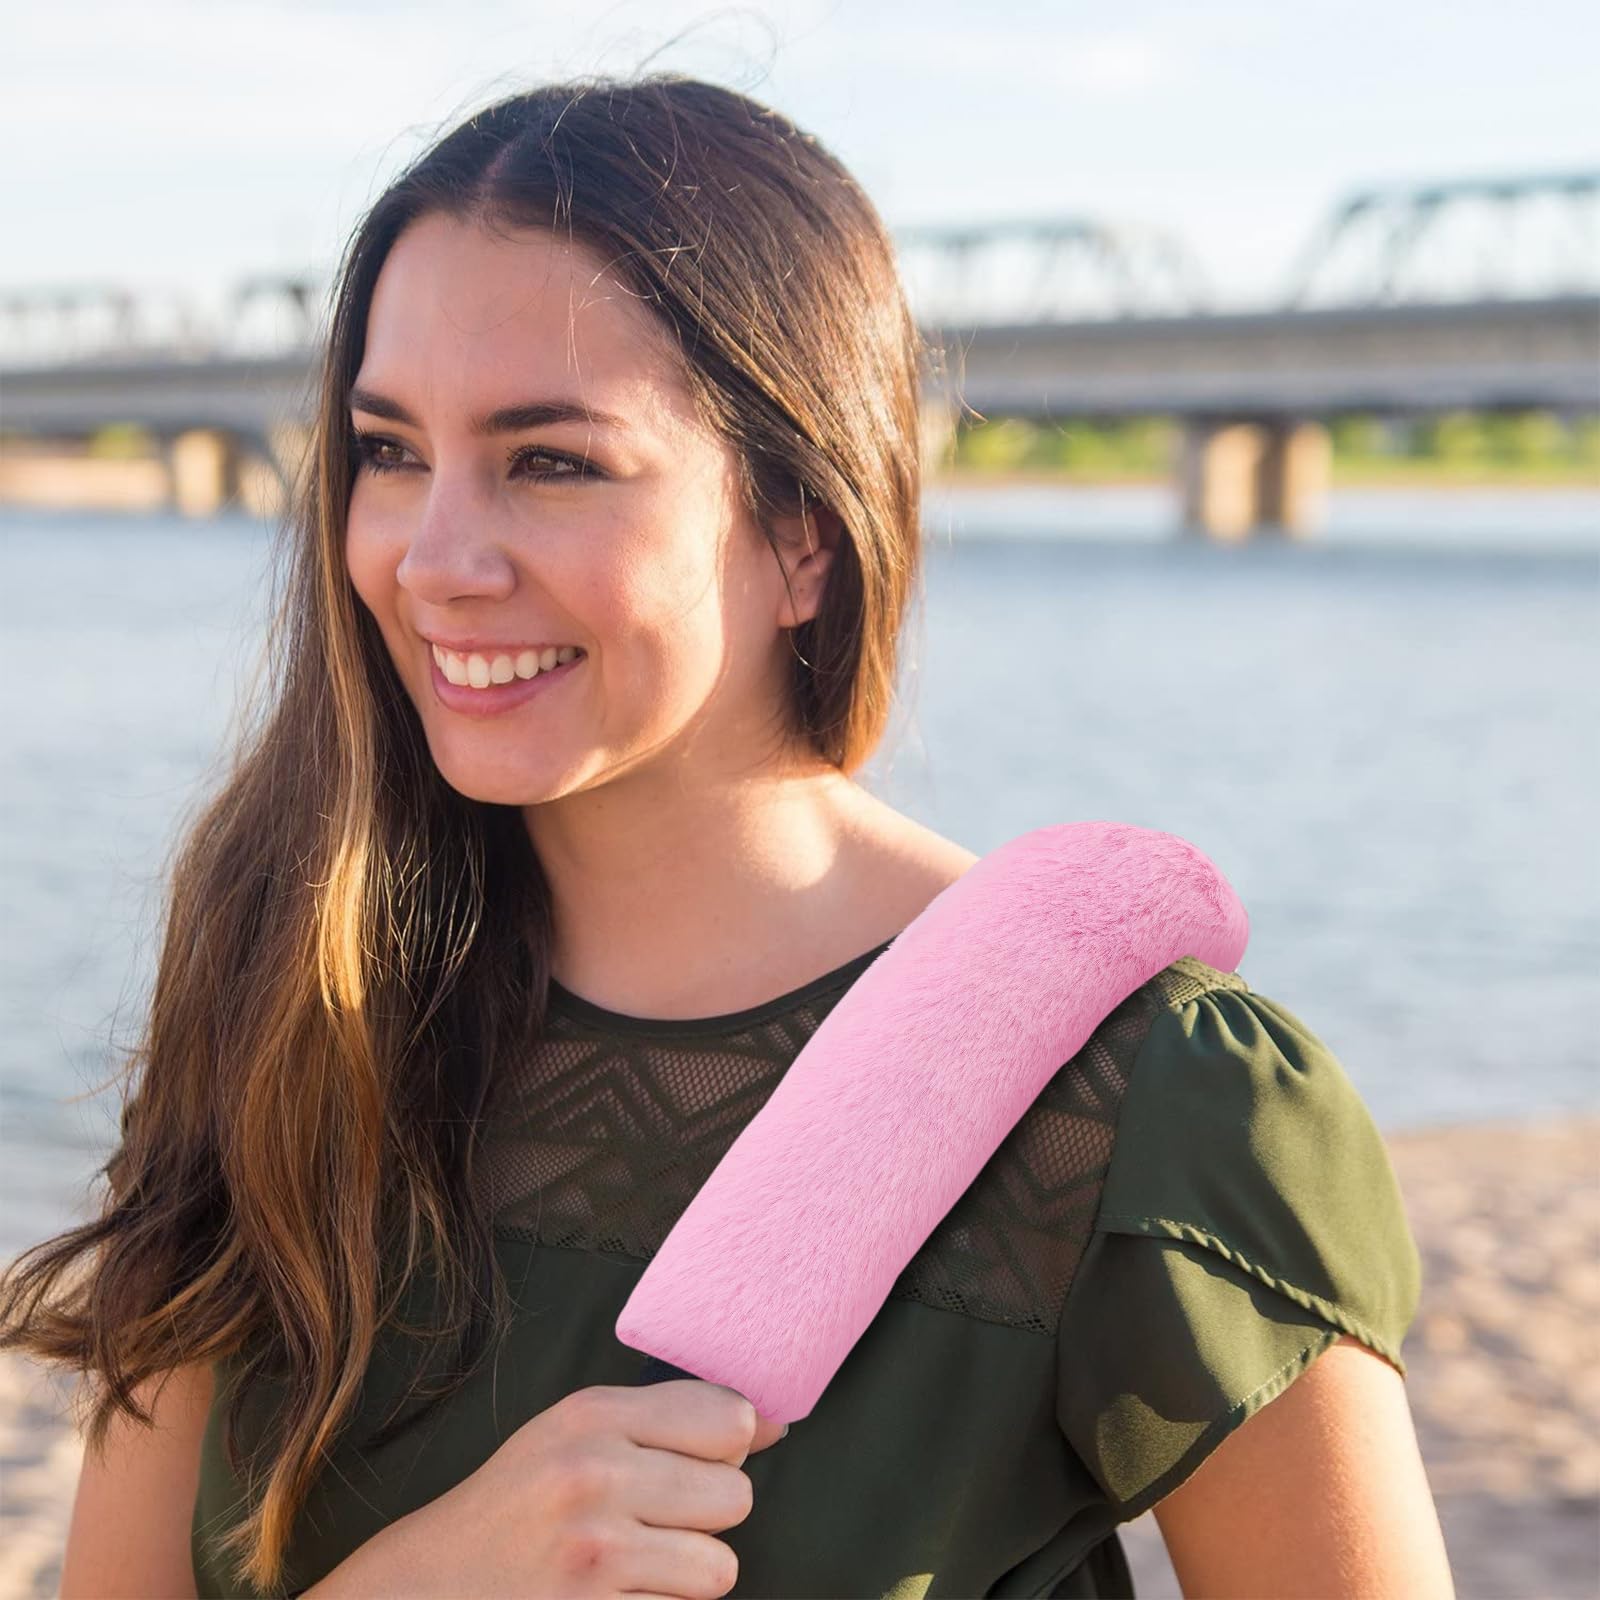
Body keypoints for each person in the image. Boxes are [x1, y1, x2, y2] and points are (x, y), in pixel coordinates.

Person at [0, 74, 1453, 1599]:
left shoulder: (1153, 1106)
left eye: (552, 460)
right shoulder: (289, 997)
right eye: (389, 449)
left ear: (802, 536)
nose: (432, 560)